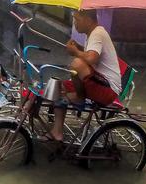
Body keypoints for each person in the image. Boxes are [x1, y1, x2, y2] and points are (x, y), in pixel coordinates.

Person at [50, 10, 123, 141]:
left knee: (77, 64)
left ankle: (80, 96)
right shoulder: (93, 33)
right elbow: (91, 54)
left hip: (108, 90)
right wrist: (78, 49)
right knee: (60, 88)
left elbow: (91, 58)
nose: (75, 23)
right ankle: (57, 131)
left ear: (88, 20)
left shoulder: (97, 33)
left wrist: (76, 52)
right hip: (100, 82)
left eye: (77, 19)